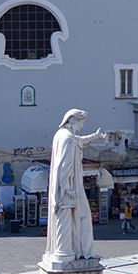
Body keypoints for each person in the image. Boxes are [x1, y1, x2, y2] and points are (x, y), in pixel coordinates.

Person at [47, 109, 107, 260]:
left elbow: (80, 141)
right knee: (81, 218)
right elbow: (64, 166)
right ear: (74, 120)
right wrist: (67, 189)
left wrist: (95, 136)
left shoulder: (62, 135)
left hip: (65, 187)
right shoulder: (68, 139)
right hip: (68, 188)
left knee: (74, 219)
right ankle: (71, 253)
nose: (82, 125)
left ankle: (77, 251)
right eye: (82, 122)